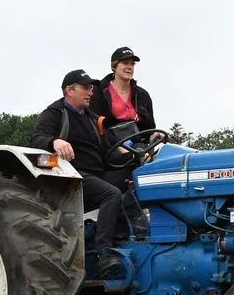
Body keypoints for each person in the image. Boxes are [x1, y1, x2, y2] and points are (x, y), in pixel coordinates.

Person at [30, 70, 133, 277]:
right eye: (85, 88)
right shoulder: (55, 114)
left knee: (138, 176)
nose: (90, 93)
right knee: (110, 193)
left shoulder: (93, 119)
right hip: (74, 177)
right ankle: (104, 254)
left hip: (99, 173)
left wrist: (133, 156)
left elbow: (109, 151)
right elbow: (36, 140)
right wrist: (54, 141)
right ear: (69, 90)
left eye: (91, 88)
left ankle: (134, 236)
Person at [90, 46, 156, 130]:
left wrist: (155, 135)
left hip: (139, 141)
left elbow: (150, 128)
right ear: (114, 66)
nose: (130, 67)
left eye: (132, 64)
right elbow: (93, 124)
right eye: (125, 63)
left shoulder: (142, 95)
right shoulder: (98, 91)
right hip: (109, 141)